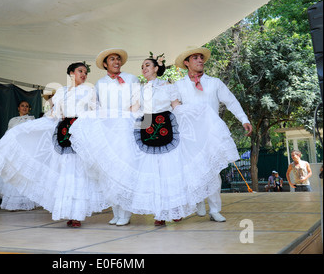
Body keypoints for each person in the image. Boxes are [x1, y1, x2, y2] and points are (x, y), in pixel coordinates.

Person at [70, 53, 240, 225]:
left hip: (167, 127)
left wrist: (195, 113)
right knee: (153, 173)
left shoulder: (168, 86)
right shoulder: (140, 89)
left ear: (156, 68)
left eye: (147, 65)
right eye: (142, 67)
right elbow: (134, 110)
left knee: (170, 170)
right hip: (147, 128)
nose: (144, 69)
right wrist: (112, 120)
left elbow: (176, 106)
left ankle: (172, 210)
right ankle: (159, 214)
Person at [0, 62, 109, 227]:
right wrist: (31, 127)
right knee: (65, 171)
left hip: (80, 131)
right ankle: (67, 212)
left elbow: (95, 112)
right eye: (80, 71)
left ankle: (77, 214)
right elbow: (54, 114)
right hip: (63, 132)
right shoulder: (61, 92)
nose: (84, 74)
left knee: (78, 172)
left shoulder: (89, 90)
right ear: (71, 73)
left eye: (85, 72)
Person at [173, 46, 253, 222]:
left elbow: (231, 101)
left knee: (214, 171)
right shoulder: (178, 85)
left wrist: (243, 119)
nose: (200, 60)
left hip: (211, 134)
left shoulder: (215, 82)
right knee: (192, 169)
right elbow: (174, 107)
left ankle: (215, 209)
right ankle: (198, 202)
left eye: (201, 57)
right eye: (195, 58)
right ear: (186, 63)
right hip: (190, 136)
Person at [85, 48, 140, 226]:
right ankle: (116, 212)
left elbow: (137, 102)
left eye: (118, 59)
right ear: (105, 64)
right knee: (110, 171)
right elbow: (95, 107)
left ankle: (126, 212)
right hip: (108, 130)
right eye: (112, 59)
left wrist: (125, 118)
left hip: (126, 127)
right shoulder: (99, 83)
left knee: (124, 169)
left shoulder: (131, 79)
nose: (116, 62)